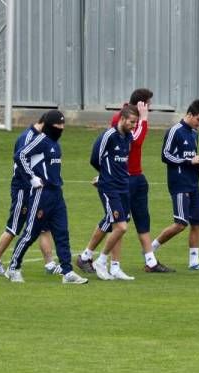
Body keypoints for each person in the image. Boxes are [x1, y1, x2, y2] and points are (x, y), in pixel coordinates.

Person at [75, 89, 174, 275]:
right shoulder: (120, 120)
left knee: (140, 218)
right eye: (148, 104)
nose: (150, 108)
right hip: (121, 180)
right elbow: (135, 142)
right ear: (141, 105)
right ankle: (98, 260)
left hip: (136, 176)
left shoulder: (134, 121)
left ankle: (150, 261)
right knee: (116, 222)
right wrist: (105, 175)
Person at [4, 110, 88, 284]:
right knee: (31, 233)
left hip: (57, 194)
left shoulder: (56, 145)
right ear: (50, 126)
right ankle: (13, 267)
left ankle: (67, 272)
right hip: (41, 194)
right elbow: (19, 155)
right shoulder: (40, 141)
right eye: (58, 126)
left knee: (62, 233)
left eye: (63, 126)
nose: (61, 129)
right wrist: (32, 178)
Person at [0, 115, 58, 276]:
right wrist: (32, 179)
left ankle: (50, 264)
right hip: (22, 189)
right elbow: (20, 162)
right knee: (15, 226)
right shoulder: (27, 137)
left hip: (37, 191)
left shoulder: (42, 137)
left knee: (44, 226)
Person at [150, 99, 199, 271]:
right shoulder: (174, 131)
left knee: (197, 223)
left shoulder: (194, 133)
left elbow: (190, 156)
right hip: (179, 183)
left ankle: (194, 262)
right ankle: (150, 250)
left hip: (193, 183)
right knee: (180, 223)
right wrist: (188, 160)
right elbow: (165, 155)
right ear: (190, 114)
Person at [86, 105, 140, 281]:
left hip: (124, 186)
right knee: (121, 226)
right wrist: (104, 176)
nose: (134, 125)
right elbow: (95, 158)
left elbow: (122, 161)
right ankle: (100, 261)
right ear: (122, 119)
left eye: (136, 122)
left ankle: (115, 267)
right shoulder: (108, 135)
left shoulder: (129, 137)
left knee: (120, 227)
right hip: (110, 187)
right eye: (132, 122)